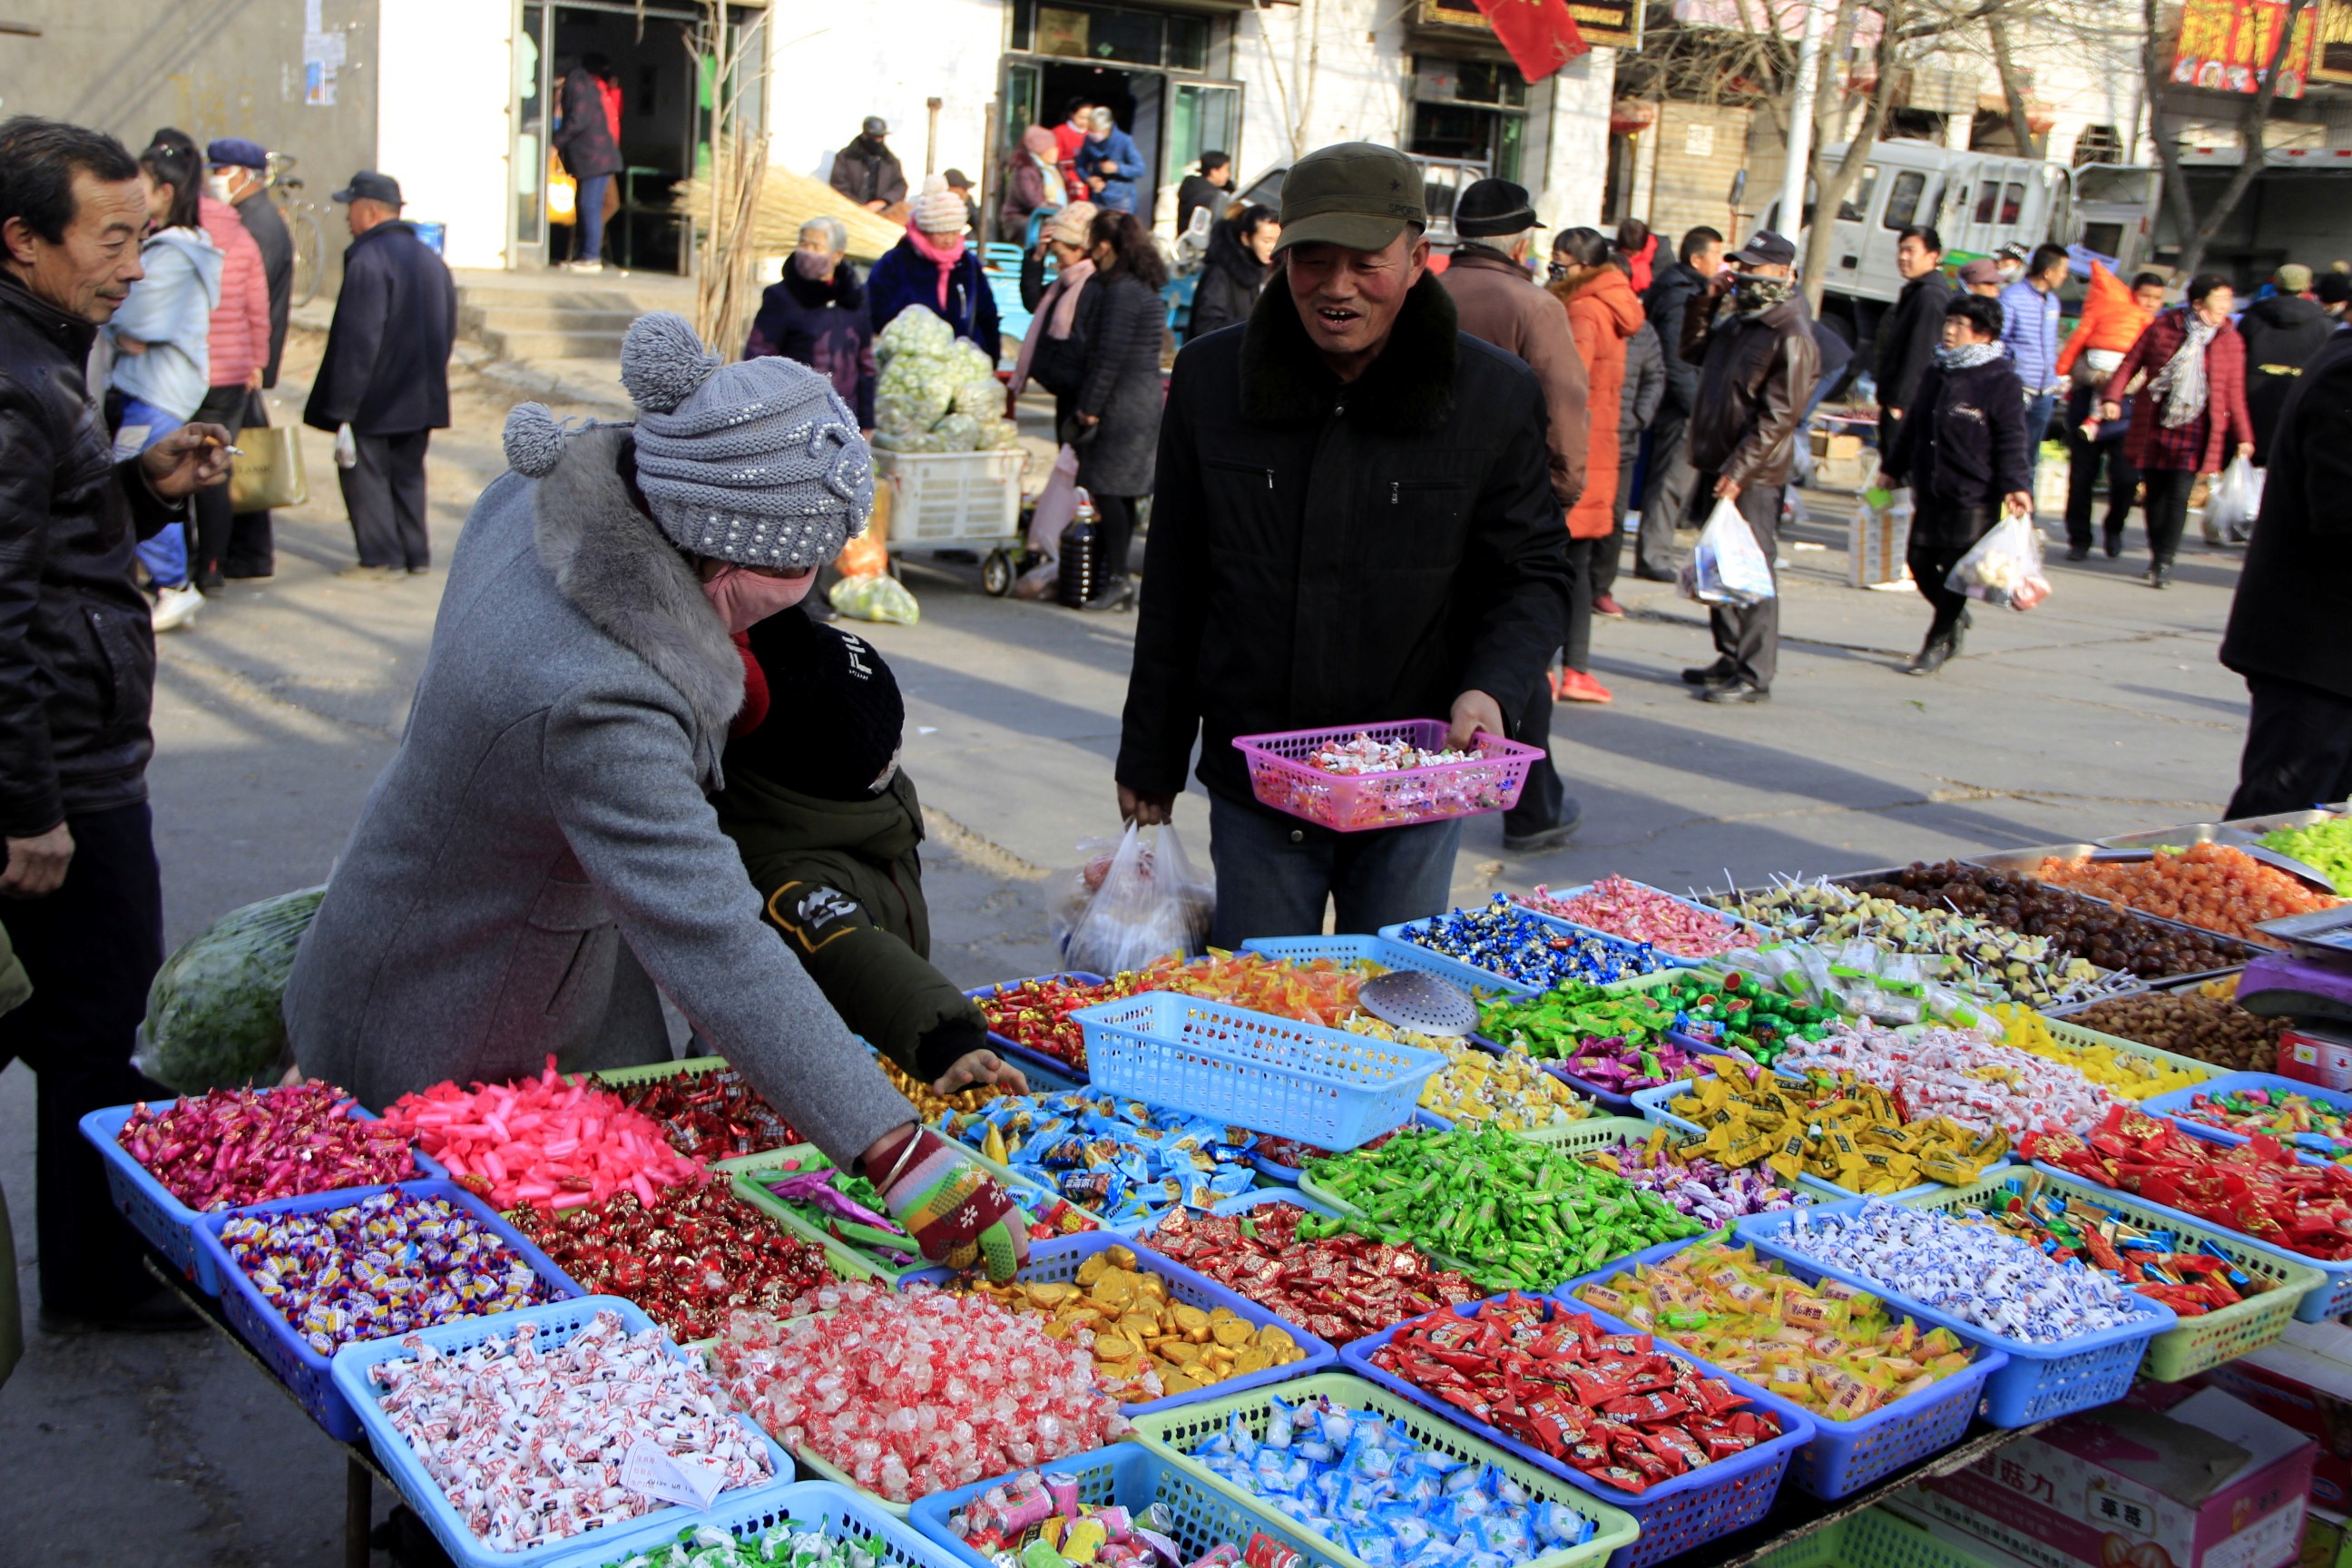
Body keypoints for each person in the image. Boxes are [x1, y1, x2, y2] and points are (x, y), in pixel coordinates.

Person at [283, 314, 1033, 1283]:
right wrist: (898, 1151)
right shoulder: (601, 695)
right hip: (462, 1008)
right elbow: (712, 934)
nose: (813, 593)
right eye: (800, 569)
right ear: (722, 566)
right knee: (450, 1303)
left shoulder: (550, 493)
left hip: (453, 921)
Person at [1118, 142, 1568, 932]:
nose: (1335, 289)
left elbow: (1530, 571)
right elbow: (1178, 580)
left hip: (1411, 777)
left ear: (1418, 257)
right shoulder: (1210, 380)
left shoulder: (1492, 394)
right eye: (1311, 261)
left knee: (1384, 1009)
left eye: (1366, 264)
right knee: (1263, 1013)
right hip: (1257, 773)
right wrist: (1151, 757)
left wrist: (1491, 687)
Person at [0, 115, 232, 1329]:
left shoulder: (48, 351)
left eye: (144, 235)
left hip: (71, 752)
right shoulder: (15, 375)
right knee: (98, 1034)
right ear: (22, 241)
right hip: (65, 776)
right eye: (112, 237)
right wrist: (31, 804)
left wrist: (139, 484)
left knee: (79, 1027)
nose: (134, 264)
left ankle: (93, 1261)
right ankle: (94, 1276)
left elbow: (42, 526)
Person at [716, 606, 1023, 1091]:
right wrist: (946, 1038)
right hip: (800, 1075)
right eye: (886, 761)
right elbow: (854, 952)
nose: (896, 763)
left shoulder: (851, 813)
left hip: (877, 1040)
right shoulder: (780, 872)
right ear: (827, 785)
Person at [1439, 178, 1587, 852]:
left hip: (1424, 507)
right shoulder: (1533, 305)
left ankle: (1535, 800)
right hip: (1505, 510)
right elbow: (1565, 410)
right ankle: (1531, 806)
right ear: (1524, 241)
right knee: (1517, 650)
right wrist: (1559, 495)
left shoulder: (1423, 293)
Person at [1677, 229, 1818, 706]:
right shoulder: (1742, 320)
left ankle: (1755, 669)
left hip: (1753, 472)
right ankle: (1730, 651)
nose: (1744, 276)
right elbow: (1692, 351)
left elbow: (1779, 416)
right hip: (1718, 460)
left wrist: (1739, 471)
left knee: (1751, 568)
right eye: (1741, 267)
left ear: (1783, 274)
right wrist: (1707, 301)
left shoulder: (1790, 333)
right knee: (1719, 562)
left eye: (1754, 269)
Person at [2219, 328, 2352, 816]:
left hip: (2325, 656)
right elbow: (2340, 513)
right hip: (2317, 654)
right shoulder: (2347, 370)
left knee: (2314, 823)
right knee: (2278, 822)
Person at [303, 171, 457, 578]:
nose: (346, 219)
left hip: (375, 395)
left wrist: (344, 407)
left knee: (365, 475)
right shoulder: (431, 261)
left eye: (349, 208)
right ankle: (415, 553)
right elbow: (447, 330)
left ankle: (380, 556)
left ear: (369, 211)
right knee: (408, 474)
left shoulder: (369, 260)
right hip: (421, 393)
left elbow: (358, 340)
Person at [1879, 293, 2032, 676]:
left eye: (1960, 325)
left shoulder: (2001, 381)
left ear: (1982, 335)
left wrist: (2017, 485)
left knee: (1956, 572)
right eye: (1949, 322)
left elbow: (2013, 438)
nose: (1949, 330)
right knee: (1917, 560)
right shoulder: (1937, 372)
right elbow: (1913, 426)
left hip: (1974, 492)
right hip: (1931, 487)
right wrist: (1891, 468)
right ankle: (1955, 618)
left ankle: (1936, 641)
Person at [108, 142, 219, 633]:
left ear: (166, 191)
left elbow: (133, 314)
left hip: (157, 390)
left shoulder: (175, 253)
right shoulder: (169, 245)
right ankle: (168, 584)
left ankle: (173, 585)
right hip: (148, 386)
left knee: (147, 479)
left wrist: (115, 323)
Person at [2101, 272, 2254, 588]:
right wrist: (2112, 397)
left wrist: (2244, 436)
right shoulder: (2162, 328)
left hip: (2198, 425)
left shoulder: (2230, 340)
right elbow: (2130, 365)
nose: (2227, 305)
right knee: (2155, 493)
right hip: (2156, 420)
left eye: (2228, 299)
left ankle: (2164, 561)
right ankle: (2158, 550)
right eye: (2220, 299)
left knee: (2179, 494)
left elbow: (2235, 392)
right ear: (2198, 304)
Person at [1549, 227, 1643, 708]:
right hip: (1600, 453)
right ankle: (1576, 670)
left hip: (1578, 454)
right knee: (1577, 568)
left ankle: (1557, 668)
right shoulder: (1611, 305)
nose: (1554, 266)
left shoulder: (1584, 310)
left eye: (1561, 259)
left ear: (1583, 266)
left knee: (1555, 568)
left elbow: (1570, 387)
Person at [1062, 210, 1165, 611]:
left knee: (1109, 491)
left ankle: (1119, 579)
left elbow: (1108, 356)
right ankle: (1116, 578)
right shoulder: (1144, 285)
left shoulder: (1121, 291)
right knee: (1117, 495)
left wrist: (1090, 407)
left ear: (1105, 246)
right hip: (1140, 399)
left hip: (1123, 404)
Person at [184, 152, 270, 593]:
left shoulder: (177, 234)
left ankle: (180, 565)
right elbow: (259, 306)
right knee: (217, 467)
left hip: (184, 372)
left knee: (177, 465)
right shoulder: (241, 236)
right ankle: (213, 568)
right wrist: (257, 359)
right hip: (232, 374)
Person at [207, 137, 292, 581]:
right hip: (248, 358)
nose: (214, 180)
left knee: (239, 461)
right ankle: (248, 552)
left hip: (242, 361)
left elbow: (252, 302)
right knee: (243, 456)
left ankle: (245, 554)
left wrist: (257, 359)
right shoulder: (253, 218)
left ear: (244, 175)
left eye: (220, 172)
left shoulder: (254, 225)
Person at [1634, 225, 1723, 583]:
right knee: (1671, 480)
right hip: (1680, 405)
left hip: (1684, 402)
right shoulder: (1679, 296)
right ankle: (1653, 554)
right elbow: (1677, 359)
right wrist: (1694, 405)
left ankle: (1657, 550)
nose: (1720, 261)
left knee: (1677, 482)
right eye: (1716, 254)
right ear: (1696, 258)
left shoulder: (1688, 289)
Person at [2056, 266, 2163, 560]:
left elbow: (2152, 372)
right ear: (2132, 294)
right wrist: (2098, 378)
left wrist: (2122, 385)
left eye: (2157, 299)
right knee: (2081, 479)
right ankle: (2079, 539)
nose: (2150, 303)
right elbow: (2075, 361)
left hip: (2129, 417)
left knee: (2126, 479)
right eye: (2146, 296)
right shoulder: (2104, 319)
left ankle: (2114, 529)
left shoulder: (2155, 331)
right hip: (2086, 412)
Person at [745, 216, 876, 431]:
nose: (807, 252)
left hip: (845, 417)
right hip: (794, 419)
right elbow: (758, 359)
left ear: (837, 255)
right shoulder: (781, 298)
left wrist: (867, 423)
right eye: (803, 244)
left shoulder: (854, 299)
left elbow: (866, 363)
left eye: (816, 247)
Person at [864, 175, 1001, 362]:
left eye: (954, 232)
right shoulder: (896, 263)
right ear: (925, 230)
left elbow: (986, 313)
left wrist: (990, 356)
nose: (949, 240)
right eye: (941, 233)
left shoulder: (967, 265)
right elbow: (875, 309)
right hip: (908, 366)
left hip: (964, 362)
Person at [1596, 304, 1664, 621]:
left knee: (1614, 519)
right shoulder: (1585, 315)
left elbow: (1655, 377)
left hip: (1622, 438)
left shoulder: (1642, 330)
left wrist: (1639, 417)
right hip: (1587, 435)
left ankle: (1600, 587)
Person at [2239, 262, 2337, 468]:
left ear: (2275, 285)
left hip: (2251, 402)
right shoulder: (2324, 325)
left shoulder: (2251, 318)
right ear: (2308, 287)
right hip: (2298, 403)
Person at [1999, 242, 2069, 499]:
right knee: (2012, 451)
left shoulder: (2052, 302)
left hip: (2045, 391)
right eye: (2063, 270)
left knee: (2031, 455)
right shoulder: (2012, 297)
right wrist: (2010, 375)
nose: (2065, 276)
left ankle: (2024, 520)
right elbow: (2000, 341)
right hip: (2018, 388)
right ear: (2049, 272)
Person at [1875, 225, 1951, 456]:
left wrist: (1900, 403)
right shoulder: (1917, 290)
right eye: (1900, 251)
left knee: (1900, 474)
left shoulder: (1930, 295)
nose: (1903, 257)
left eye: (1910, 251)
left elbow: (1921, 353)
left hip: (1908, 405)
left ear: (1933, 255)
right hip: (1900, 400)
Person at [554, 53, 622, 271]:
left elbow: (578, 120)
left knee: (589, 205)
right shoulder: (584, 83)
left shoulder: (577, 86)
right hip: (596, 157)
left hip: (594, 158)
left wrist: (556, 143)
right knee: (587, 205)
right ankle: (587, 253)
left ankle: (590, 255)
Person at [1187, 202, 1279, 341]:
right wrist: (1260, 323)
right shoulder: (1221, 271)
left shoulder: (1272, 269)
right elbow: (1207, 326)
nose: (1272, 248)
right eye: (1266, 241)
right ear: (1246, 238)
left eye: (1277, 241)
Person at [828, 115, 907, 220]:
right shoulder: (846, 157)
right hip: (850, 214)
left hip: (882, 216)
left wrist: (882, 202)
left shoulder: (889, 161)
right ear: (865, 135)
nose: (878, 140)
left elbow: (900, 185)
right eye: (875, 137)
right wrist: (859, 207)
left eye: (881, 137)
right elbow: (838, 184)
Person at [999, 125, 1062, 243]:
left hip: (1039, 218)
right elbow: (1034, 202)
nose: (1056, 151)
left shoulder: (1051, 170)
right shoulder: (1025, 170)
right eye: (1052, 147)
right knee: (1056, 231)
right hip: (1020, 222)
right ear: (1042, 149)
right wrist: (1061, 209)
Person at [1080, 108, 1146, 217]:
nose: (1091, 134)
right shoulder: (1088, 140)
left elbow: (1140, 169)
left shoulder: (1124, 141)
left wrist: (1117, 168)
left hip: (1121, 200)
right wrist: (1088, 179)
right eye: (1089, 130)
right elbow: (1080, 165)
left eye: (1094, 131)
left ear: (1106, 129)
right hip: (1097, 198)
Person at [1177, 152, 1233, 239]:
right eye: (1226, 170)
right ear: (1214, 172)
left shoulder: (1194, 188)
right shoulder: (1209, 197)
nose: (1228, 174)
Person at [1051, 97, 1095, 199]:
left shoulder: (1094, 134)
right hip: (1067, 178)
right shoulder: (1059, 132)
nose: (1085, 121)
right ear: (1072, 114)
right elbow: (1054, 158)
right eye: (1081, 117)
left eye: (1089, 118)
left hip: (1090, 178)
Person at [1614, 218, 1657, 294]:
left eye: (1633, 254)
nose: (1631, 257)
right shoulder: (1614, 257)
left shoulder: (1660, 255)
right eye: (1628, 254)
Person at [941, 168, 980, 239]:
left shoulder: (967, 202)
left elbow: (980, 224)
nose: (965, 194)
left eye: (966, 190)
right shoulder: (935, 205)